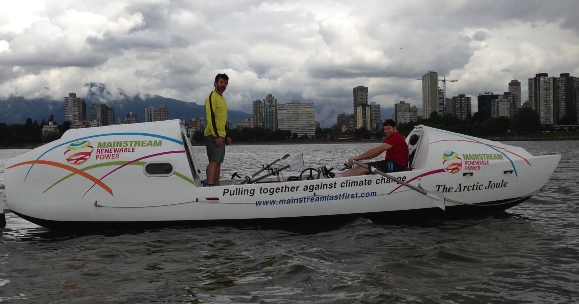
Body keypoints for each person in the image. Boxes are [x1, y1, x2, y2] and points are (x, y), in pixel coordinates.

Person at [320, 119, 408, 178]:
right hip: (390, 163)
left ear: (395, 128)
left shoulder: (396, 138)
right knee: (362, 166)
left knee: (364, 168)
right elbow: (378, 151)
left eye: (389, 129)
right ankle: (336, 176)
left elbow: (376, 152)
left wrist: (358, 157)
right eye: (385, 129)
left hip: (397, 166)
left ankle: (336, 179)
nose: (386, 131)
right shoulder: (390, 138)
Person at [204, 73, 232, 186]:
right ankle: (209, 185)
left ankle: (216, 186)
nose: (223, 85)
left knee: (218, 162)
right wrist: (216, 136)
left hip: (221, 134)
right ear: (215, 83)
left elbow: (222, 120)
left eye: (225, 83)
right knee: (214, 161)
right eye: (221, 82)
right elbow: (210, 118)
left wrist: (227, 135)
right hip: (212, 135)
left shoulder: (222, 99)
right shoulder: (212, 97)